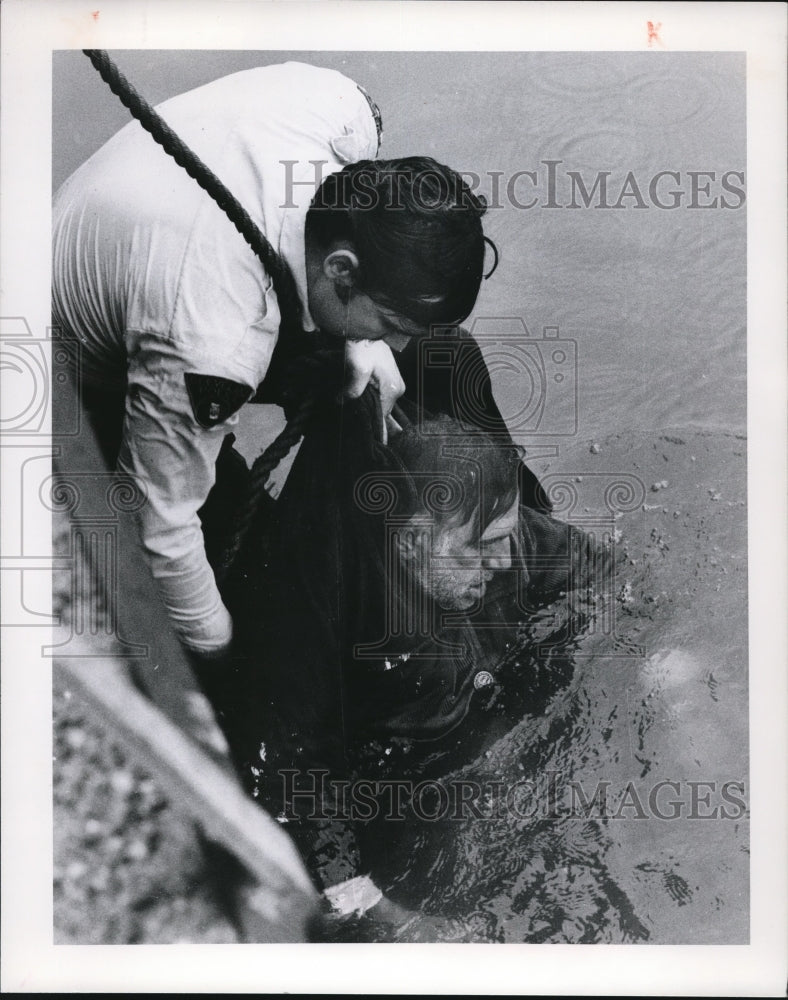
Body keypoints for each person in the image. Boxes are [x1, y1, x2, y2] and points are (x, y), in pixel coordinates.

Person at [52, 60, 505, 662]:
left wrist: (361, 340)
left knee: (444, 354)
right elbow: (160, 527)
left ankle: (505, 513)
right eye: (391, 327)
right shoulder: (216, 339)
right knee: (239, 575)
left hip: (169, 257)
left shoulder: (342, 110)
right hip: (74, 368)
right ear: (342, 270)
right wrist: (224, 656)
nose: (395, 345)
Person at [221, 389, 605, 941]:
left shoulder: (500, 535)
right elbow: (293, 772)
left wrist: (671, 670)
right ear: (411, 541)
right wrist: (374, 906)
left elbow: (599, 566)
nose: (504, 560)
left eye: (507, 536)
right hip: (401, 776)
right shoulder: (337, 619)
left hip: (482, 711)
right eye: (480, 546)